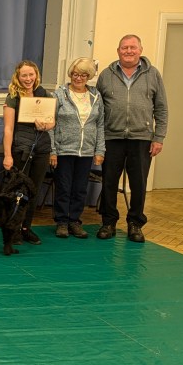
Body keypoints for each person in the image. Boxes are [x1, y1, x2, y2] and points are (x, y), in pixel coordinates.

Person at [95, 34, 168, 243]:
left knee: (138, 184)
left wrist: (159, 137)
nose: (128, 51)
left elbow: (161, 108)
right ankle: (108, 222)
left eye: (132, 47)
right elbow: (97, 109)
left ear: (140, 50)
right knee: (109, 182)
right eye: (124, 47)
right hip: (111, 137)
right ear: (118, 51)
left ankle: (135, 223)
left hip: (142, 138)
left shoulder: (153, 74)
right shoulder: (106, 75)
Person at [49, 58, 105, 239]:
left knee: (80, 189)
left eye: (83, 75)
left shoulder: (96, 96)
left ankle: (74, 221)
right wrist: (52, 150)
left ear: (88, 76)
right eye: (75, 74)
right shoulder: (59, 95)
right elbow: (50, 124)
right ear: (70, 75)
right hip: (63, 150)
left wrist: (100, 150)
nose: (78, 78)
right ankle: (61, 222)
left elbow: (100, 124)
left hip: (86, 151)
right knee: (64, 188)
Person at [1, 59, 54, 245]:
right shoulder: (12, 97)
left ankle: (26, 228)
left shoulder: (44, 94)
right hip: (20, 150)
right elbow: (8, 129)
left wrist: (46, 125)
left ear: (36, 75)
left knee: (33, 191)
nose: (28, 78)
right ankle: (13, 229)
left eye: (31, 74)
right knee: (18, 191)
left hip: (42, 149)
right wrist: (7, 155)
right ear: (18, 76)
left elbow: (52, 121)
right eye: (24, 75)